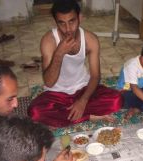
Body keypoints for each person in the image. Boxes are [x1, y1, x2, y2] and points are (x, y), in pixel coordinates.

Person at [28, 0, 123, 128]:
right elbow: (49, 82)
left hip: (82, 88)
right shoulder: (48, 41)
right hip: (56, 93)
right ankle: (88, 116)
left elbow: (95, 76)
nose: (67, 29)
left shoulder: (90, 39)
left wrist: (83, 100)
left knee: (117, 100)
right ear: (55, 22)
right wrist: (59, 53)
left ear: (80, 18)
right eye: (62, 23)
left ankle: (71, 114)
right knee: (35, 113)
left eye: (72, 22)